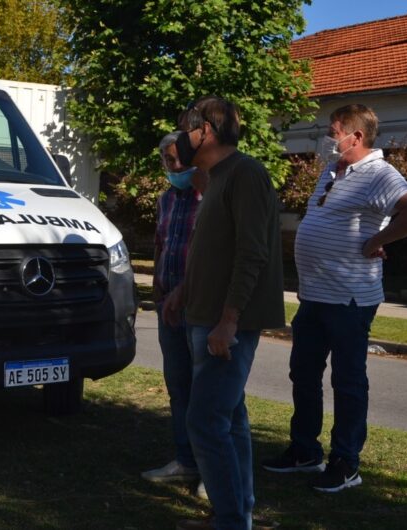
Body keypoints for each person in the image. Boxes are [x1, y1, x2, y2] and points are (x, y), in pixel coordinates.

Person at [262, 104, 407, 493]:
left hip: (350, 298)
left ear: (355, 137)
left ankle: (346, 463)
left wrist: (378, 239)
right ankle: (305, 451)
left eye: (333, 130)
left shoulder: (380, 173)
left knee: (348, 381)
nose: (327, 137)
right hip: (314, 296)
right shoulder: (333, 170)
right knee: (303, 375)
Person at [164, 96, 285, 530]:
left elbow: (252, 253)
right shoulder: (216, 177)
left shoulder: (246, 174)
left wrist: (230, 319)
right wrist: (183, 288)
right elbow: (213, 248)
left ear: (207, 132)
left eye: (186, 127)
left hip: (228, 323)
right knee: (229, 417)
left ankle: (232, 520)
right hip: (203, 313)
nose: (181, 136)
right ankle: (237, 513)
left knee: (206, 418)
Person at [140, 132, 207, 500]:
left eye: (180, 159)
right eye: (168, 160)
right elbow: (161, 243)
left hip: (199, 306)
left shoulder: (210, 197)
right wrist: (156, 285)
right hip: (168, 307)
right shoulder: (167, 199)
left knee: (206, 393)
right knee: (179, 389)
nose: (175, 166)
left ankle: (211, 470)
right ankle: (185, 459)